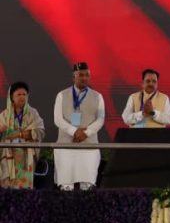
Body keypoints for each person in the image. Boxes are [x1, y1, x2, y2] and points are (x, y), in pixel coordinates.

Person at [52, 62, 105, 191]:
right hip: (66, 146)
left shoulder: (98, 96)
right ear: (73, 77)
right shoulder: (61, 95)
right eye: (81, 75)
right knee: (66, 186)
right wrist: (74, 131)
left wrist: (86, 133)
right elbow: (58, 119)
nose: (84, 78)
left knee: (87, 186)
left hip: (89, 146)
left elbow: (101, 119)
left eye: (87, 75)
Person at [0, 82, 45, 188]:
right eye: (19, 94)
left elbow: (40, 131)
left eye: (24, 94)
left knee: (25, 188)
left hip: (26, 157)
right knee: (8, 188)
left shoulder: (33, 113)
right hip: (8, 156)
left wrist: (18, 134)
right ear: (12, 97)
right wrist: (1, 131)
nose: (22, 97)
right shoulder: (4, 115)